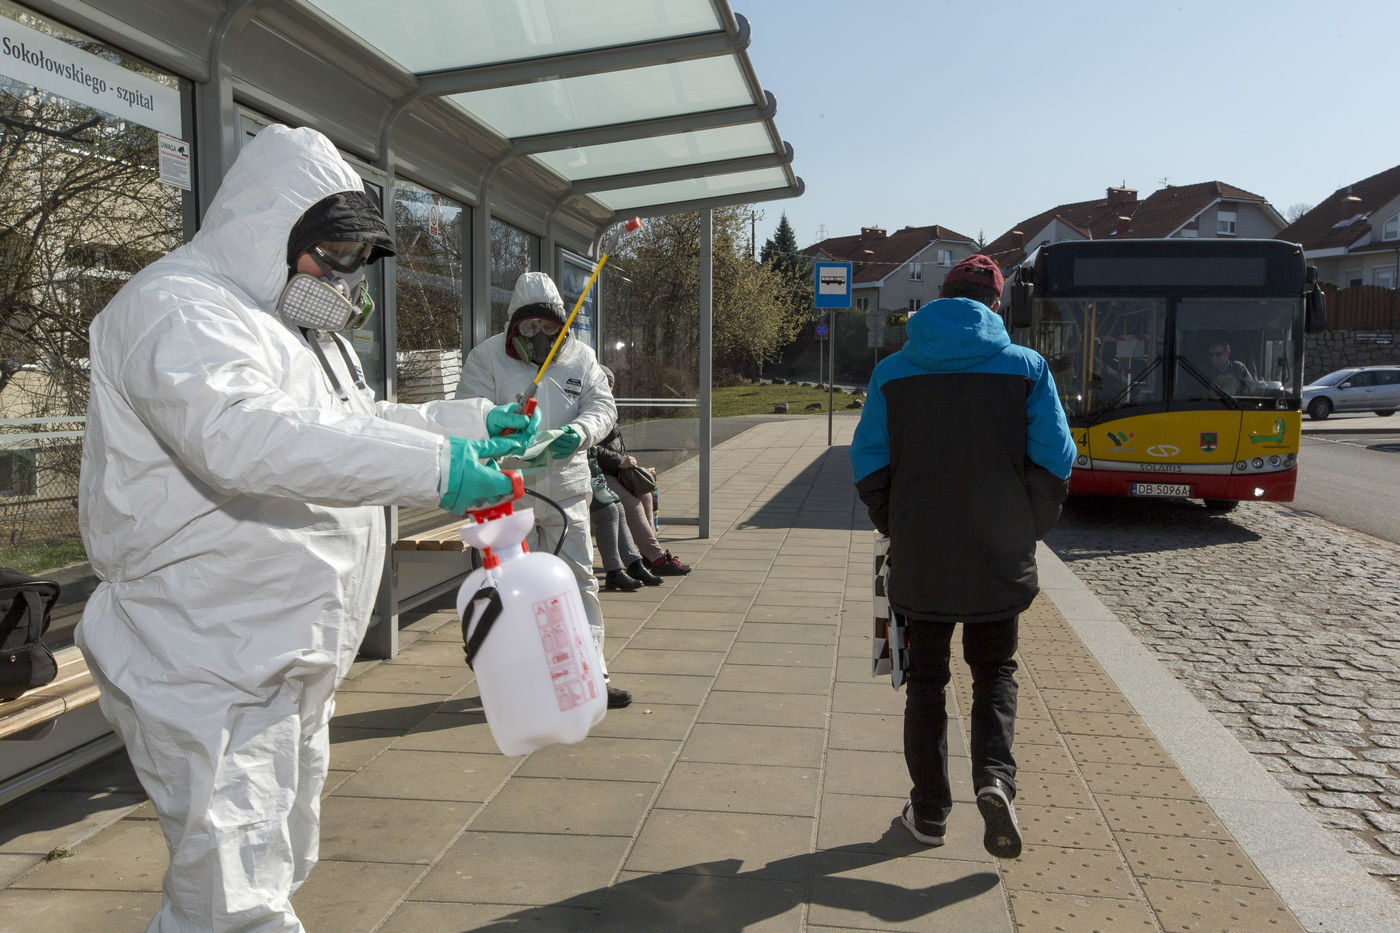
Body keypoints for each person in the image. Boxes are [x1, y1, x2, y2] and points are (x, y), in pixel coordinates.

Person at [75, 124, 535, 932]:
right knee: (233, 899)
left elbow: (354, 424)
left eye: (356, 260)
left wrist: (467, 426)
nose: (343, 278)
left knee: (268, 866)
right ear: (269, 228)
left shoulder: (292, 328)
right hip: (208, 658)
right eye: (333, 253)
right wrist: (438, 469)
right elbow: (244, 436)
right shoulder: (175, 306)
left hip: (282, 654)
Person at [849, 253, 1075, 860]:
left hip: (920, 553)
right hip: (999, 555)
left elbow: (867, 461)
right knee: (995, 672)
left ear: (941, 297)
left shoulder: (892, 372)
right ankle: (994, 779)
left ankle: (929, 813)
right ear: (995, 304)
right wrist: (1026, 529)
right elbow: (1056, 459)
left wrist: (896, 523)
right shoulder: (1027, 368)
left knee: (925, 683)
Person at [456, 272, 632, 708]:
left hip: (566, 491)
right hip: (505, 494)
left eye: (548, 326)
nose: (539, 335)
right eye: (529, 326)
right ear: (514, 324)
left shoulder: (580, 357)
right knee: (508, 589)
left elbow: (602, 405)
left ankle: (590, 674)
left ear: (562, 324)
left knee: (577, 582)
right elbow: (468, 412)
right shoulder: (487, 358)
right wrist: (498, 426)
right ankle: (515, 679)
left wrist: (580, 432)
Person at [594, 367, 691, 576]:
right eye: (605, 384)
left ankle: (649, 554)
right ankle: (657, 557)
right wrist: (619, 461)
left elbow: (613, 443)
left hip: (612, 469)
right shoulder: (588, 407)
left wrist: (627, 464)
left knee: (645, 494)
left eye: (611, 386)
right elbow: (589, 448)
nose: (609, 390)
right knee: (632, 503)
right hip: (594, 472)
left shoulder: (604, 405)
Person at [589, 446, 662, 591]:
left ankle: (634, 563)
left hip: (594, 471)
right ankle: (615, 571)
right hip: (587, 473)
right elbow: (593, 446)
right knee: (608, 511)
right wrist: (618, 461)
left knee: (618, 507)